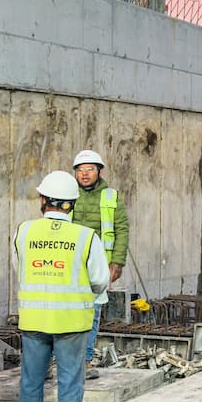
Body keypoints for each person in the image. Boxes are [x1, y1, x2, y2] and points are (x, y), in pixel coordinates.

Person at [13, 171, 110, 402]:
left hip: (33, 321)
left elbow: (19, 269)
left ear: (43, 199)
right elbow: (100, 280)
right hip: (71, 322)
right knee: (69, 384)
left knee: (31, 382)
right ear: (73, 203)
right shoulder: (86, 237)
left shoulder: (24, 231)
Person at [72, 149, 129, 379]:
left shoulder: (111, 196)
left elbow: (122, 229)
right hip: (70, 263)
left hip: (98, 264)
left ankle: (84, 361)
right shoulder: (67, 194)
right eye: (80, 170)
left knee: (93, 312)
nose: (84, 175)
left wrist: (117, 261)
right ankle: (62, 360)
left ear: (99, 172)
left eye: (90, 170)